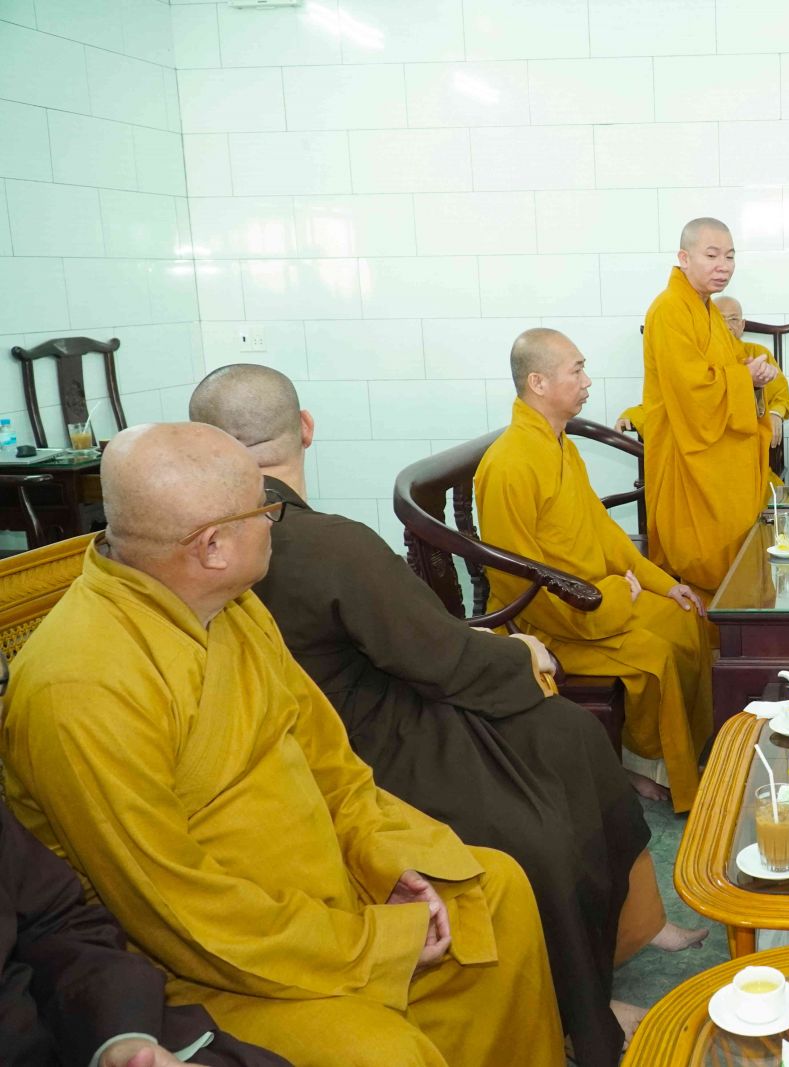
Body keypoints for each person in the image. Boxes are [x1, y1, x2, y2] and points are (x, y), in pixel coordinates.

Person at [189, 364, 707, 1066]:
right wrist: (519, 655)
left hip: (378, 703)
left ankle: (632, 931)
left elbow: (416, 641)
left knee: (570, 734)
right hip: (370, 741)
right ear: (306, 427)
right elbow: (436, 654)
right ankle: (579, 1013)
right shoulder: (318, 544)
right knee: (540, 817)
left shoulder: (211, 552)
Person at [1, 423, 564, 1067]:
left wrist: (384, 859)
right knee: (382, 1054)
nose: (276, 521)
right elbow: (174, 911)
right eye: (265, 510)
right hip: (214, 964)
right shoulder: (82, 686)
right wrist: (371, 944)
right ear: (213, 546)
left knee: (495, 895)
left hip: (326, 890)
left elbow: (329, 760)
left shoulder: (231, 606)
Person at [0, 648, 291, 1067]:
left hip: (83, 1028)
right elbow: (174, 907)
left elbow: (54, 923)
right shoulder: (77, 687)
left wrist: (119, 1041)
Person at [476, 328, 714, 813]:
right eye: (577, 370)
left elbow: (603, 533)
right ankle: (641, 765)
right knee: (655, 654)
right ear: (538, 382)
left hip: (597, 598)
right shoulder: (508, 465)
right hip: (552, 618)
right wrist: (606, 604)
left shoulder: (560, 445)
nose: (587, 381)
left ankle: (688, 758)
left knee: (686, 616)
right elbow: (515, 578)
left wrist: (663, 585)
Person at [640, 217, 772, 597]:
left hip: (720, 454)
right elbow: (692, 389)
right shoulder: (669, 310)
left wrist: (752, 374)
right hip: (690, 456)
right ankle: (712, 630)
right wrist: (743, 378)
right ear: (684, 258)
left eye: (730, 256)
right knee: (703, 560)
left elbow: (726, 367)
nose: (723, 266)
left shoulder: (707, 309)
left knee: (739, 551)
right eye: (712, 255)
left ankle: (735, 621)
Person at [617, 294, 789, 485]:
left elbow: (779, 395)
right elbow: (674, 398)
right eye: (720, 319)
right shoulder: (697, 358)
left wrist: (775, 414)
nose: (727, 326)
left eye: (733, 319)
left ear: (742, 325)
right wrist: (634, 415)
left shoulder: (757, 353)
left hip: (744, 446)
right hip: (703, 446)